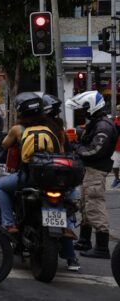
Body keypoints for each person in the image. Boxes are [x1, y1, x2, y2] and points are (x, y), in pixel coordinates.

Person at [0, 93, 66, 235]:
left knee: (0, 185)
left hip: (30, 176)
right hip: (55, 177)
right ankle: (69, 239)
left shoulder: (18, 129)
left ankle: (8, 223)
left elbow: (4, 145)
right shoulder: (56, 128)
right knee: (67, 198)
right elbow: (62, 152)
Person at [67, 91, 117, 259]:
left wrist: (78, 149)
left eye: (84, 108)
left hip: (96, 171)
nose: (83, 112)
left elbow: (95, 150)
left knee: (95, 206)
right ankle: (84, 241)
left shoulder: (103, 126)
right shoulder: (96, 123)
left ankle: (102, 248)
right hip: (88, 170)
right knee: (85, 205)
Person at [41, 93, 81, 272]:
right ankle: (71, 256)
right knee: (67, 210)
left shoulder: (33, 130)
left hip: (42, 179)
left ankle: (9, 228)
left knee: (4, 187)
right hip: (64, 180)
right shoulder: (61, 131)